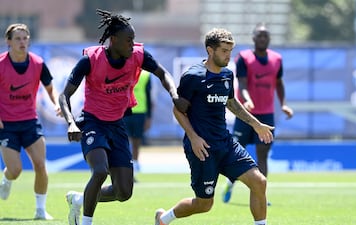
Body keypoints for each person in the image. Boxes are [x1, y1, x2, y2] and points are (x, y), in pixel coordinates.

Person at [58, 9, 183, 225]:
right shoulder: (90, 60)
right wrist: (70, 122)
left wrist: (174, 95)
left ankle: (80, 199)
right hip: (93, 123)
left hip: (118, 125)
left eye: (133, 40)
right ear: (113, 40)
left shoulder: (137, 56)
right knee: (100, 171)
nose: (132, 45)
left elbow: (163, 73)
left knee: (124, 192)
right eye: (128, 40)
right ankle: (85, 222)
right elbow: (64, 95)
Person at [154, 28, 274, 225]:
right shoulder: (193, 76)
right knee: (204, 205)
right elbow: (178, 111)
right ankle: (163, 219)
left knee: (259, 182)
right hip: (202, 148)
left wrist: (256, 124)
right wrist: (193, 138)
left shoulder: (227, 75)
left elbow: (232, 103)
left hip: (225, 144)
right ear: (210, 50)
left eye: (230, 50)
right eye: (224, 51)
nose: (229, 55)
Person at [222, 22, 294, 204]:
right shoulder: (244, 58)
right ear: (253, 38)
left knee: (263, 155)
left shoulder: (277, 59)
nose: (262, 38)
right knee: (238, 154)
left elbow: (279, 83)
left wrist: (284, 104)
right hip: (246, 115)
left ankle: (261, 194)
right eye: (259, 35)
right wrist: (246, 99)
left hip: (266, 115)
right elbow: (243, 84)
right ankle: (230, 182)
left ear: (269, 39)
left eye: (265, 36)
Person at [0, 23, 61, 220]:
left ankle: (40, 210)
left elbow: (51, 89)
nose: (22, 42)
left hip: (29, 122)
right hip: (6, 125)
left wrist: (58, 104)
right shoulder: (0, 64)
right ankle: (6, 179)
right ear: (8, 42)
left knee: (40, 165)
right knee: (16, 170)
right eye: (17, 38)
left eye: (25, 38)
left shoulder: (38, 63)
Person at [123, 69, 153, 182]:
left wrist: (149, 117)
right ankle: (126, 170)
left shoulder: (145, 75)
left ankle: (133, 170)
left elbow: (148, 96)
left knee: (136, 143)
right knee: (125, 143)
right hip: (124, 111)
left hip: (140, 113)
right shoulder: (122, 71)